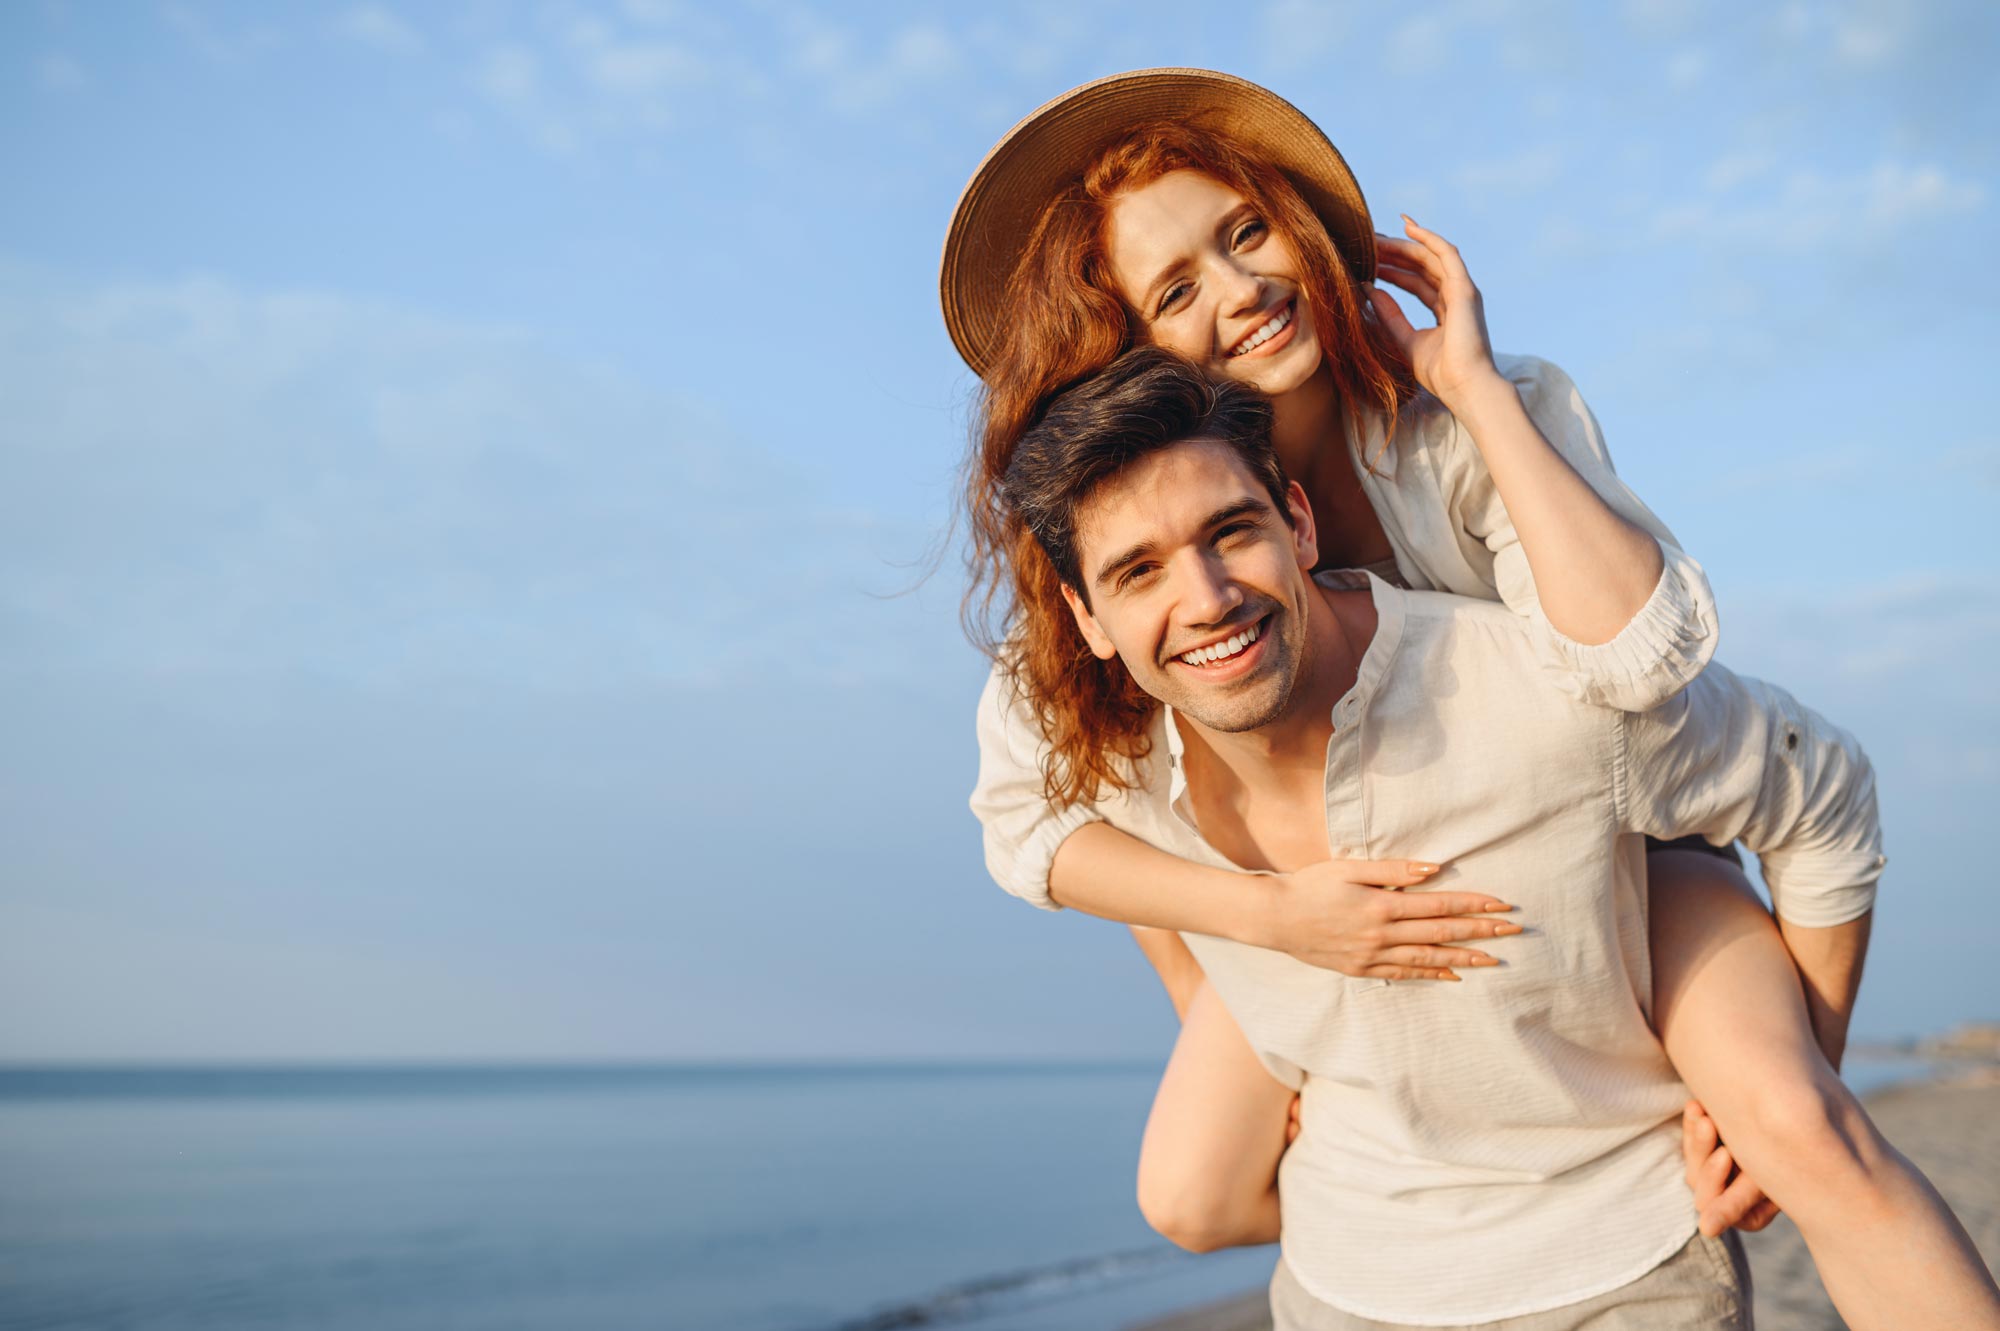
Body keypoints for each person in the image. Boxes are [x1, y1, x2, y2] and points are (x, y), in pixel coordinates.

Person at [943, 71, 2000, 1329]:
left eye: (1245, 233)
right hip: (1318, 885)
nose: (1239, 290)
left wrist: (1476, 390)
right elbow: (1065, 806)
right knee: (1186, 1191)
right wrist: (1264, 944)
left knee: (1794, 1130)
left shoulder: (1458, 418)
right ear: (1125, 347)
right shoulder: (1137, 540)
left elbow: (1635, 670)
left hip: (1609, 825)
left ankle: (1628, 1162)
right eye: (1175, 289)